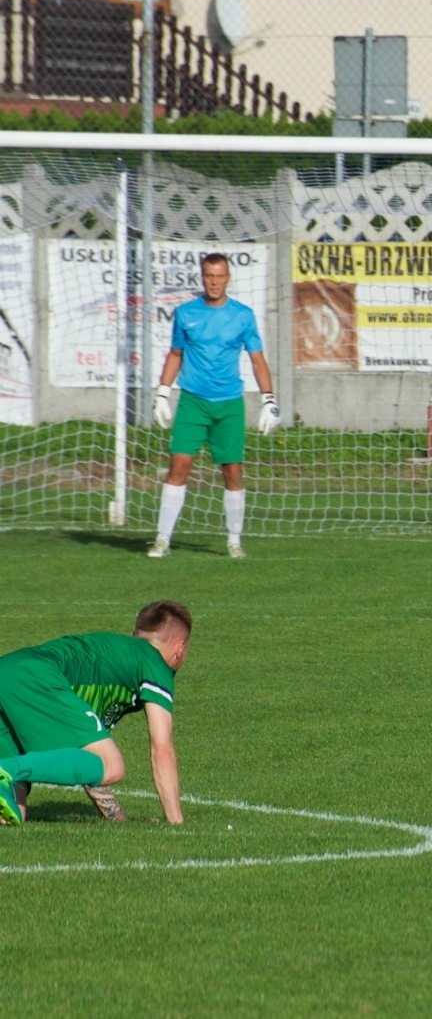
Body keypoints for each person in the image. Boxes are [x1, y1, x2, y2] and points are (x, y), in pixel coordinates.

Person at [0, 601, 190, 826]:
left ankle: (8, 774)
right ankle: (8, 771)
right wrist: (175, 821)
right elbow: (162, 750)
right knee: (114, 765)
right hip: (34, 676)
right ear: (179, 648)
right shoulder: (154, 663)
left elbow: (88, 764)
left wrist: (119, 821)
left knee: (13, 817)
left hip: (9, 671)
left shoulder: (111, 663)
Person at [148, 252, 279, 560]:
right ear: (202, 277)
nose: (214, 281)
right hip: (193, 402)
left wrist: (269, 400)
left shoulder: (243, 315)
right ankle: (162, 540)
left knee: (232, 471)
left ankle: (234, 541)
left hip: (229, 404)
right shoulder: (185, 313)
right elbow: (175, 354)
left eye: (219, 276)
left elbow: (257, 359)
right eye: (209, 276)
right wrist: (163, 393)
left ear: (228, 278)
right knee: (179, 465)